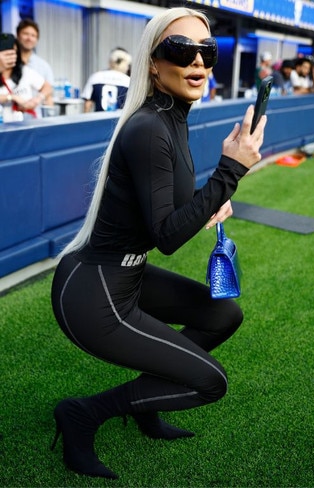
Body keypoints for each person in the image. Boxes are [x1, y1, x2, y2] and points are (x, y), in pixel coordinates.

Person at [49, 7, 266, 479]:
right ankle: (83, 413)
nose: (197, 62)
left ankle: (148, 401)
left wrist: (213, 200)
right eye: (180, 49)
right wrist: (231, 170)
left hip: (124, 275)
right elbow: (167, 236)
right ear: (153, 61)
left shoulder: (172, 117)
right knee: (211, 382)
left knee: (224, 313)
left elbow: (164, 210)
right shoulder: (150, 126)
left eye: (205, 52)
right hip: (95, 295)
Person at [0, 33, 52, 122]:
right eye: (7, 54)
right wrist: (12, 97)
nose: (12, 56)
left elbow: (47, 87)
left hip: (26, 125)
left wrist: (36, 100)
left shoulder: (25, 71)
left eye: (14, 52)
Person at [16, 19, 54, 116]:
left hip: (35, 119)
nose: (29, 38)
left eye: (33, 35)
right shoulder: (8, 63)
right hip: (10, 119)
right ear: (18, 35)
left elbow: (49, 95)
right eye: (26, 34)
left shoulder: (44, 66)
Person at [81, 47, 131, 112]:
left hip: (98, 120)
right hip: (119, 120)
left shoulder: (96, 77)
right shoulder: (128, 81)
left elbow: (87, 105)